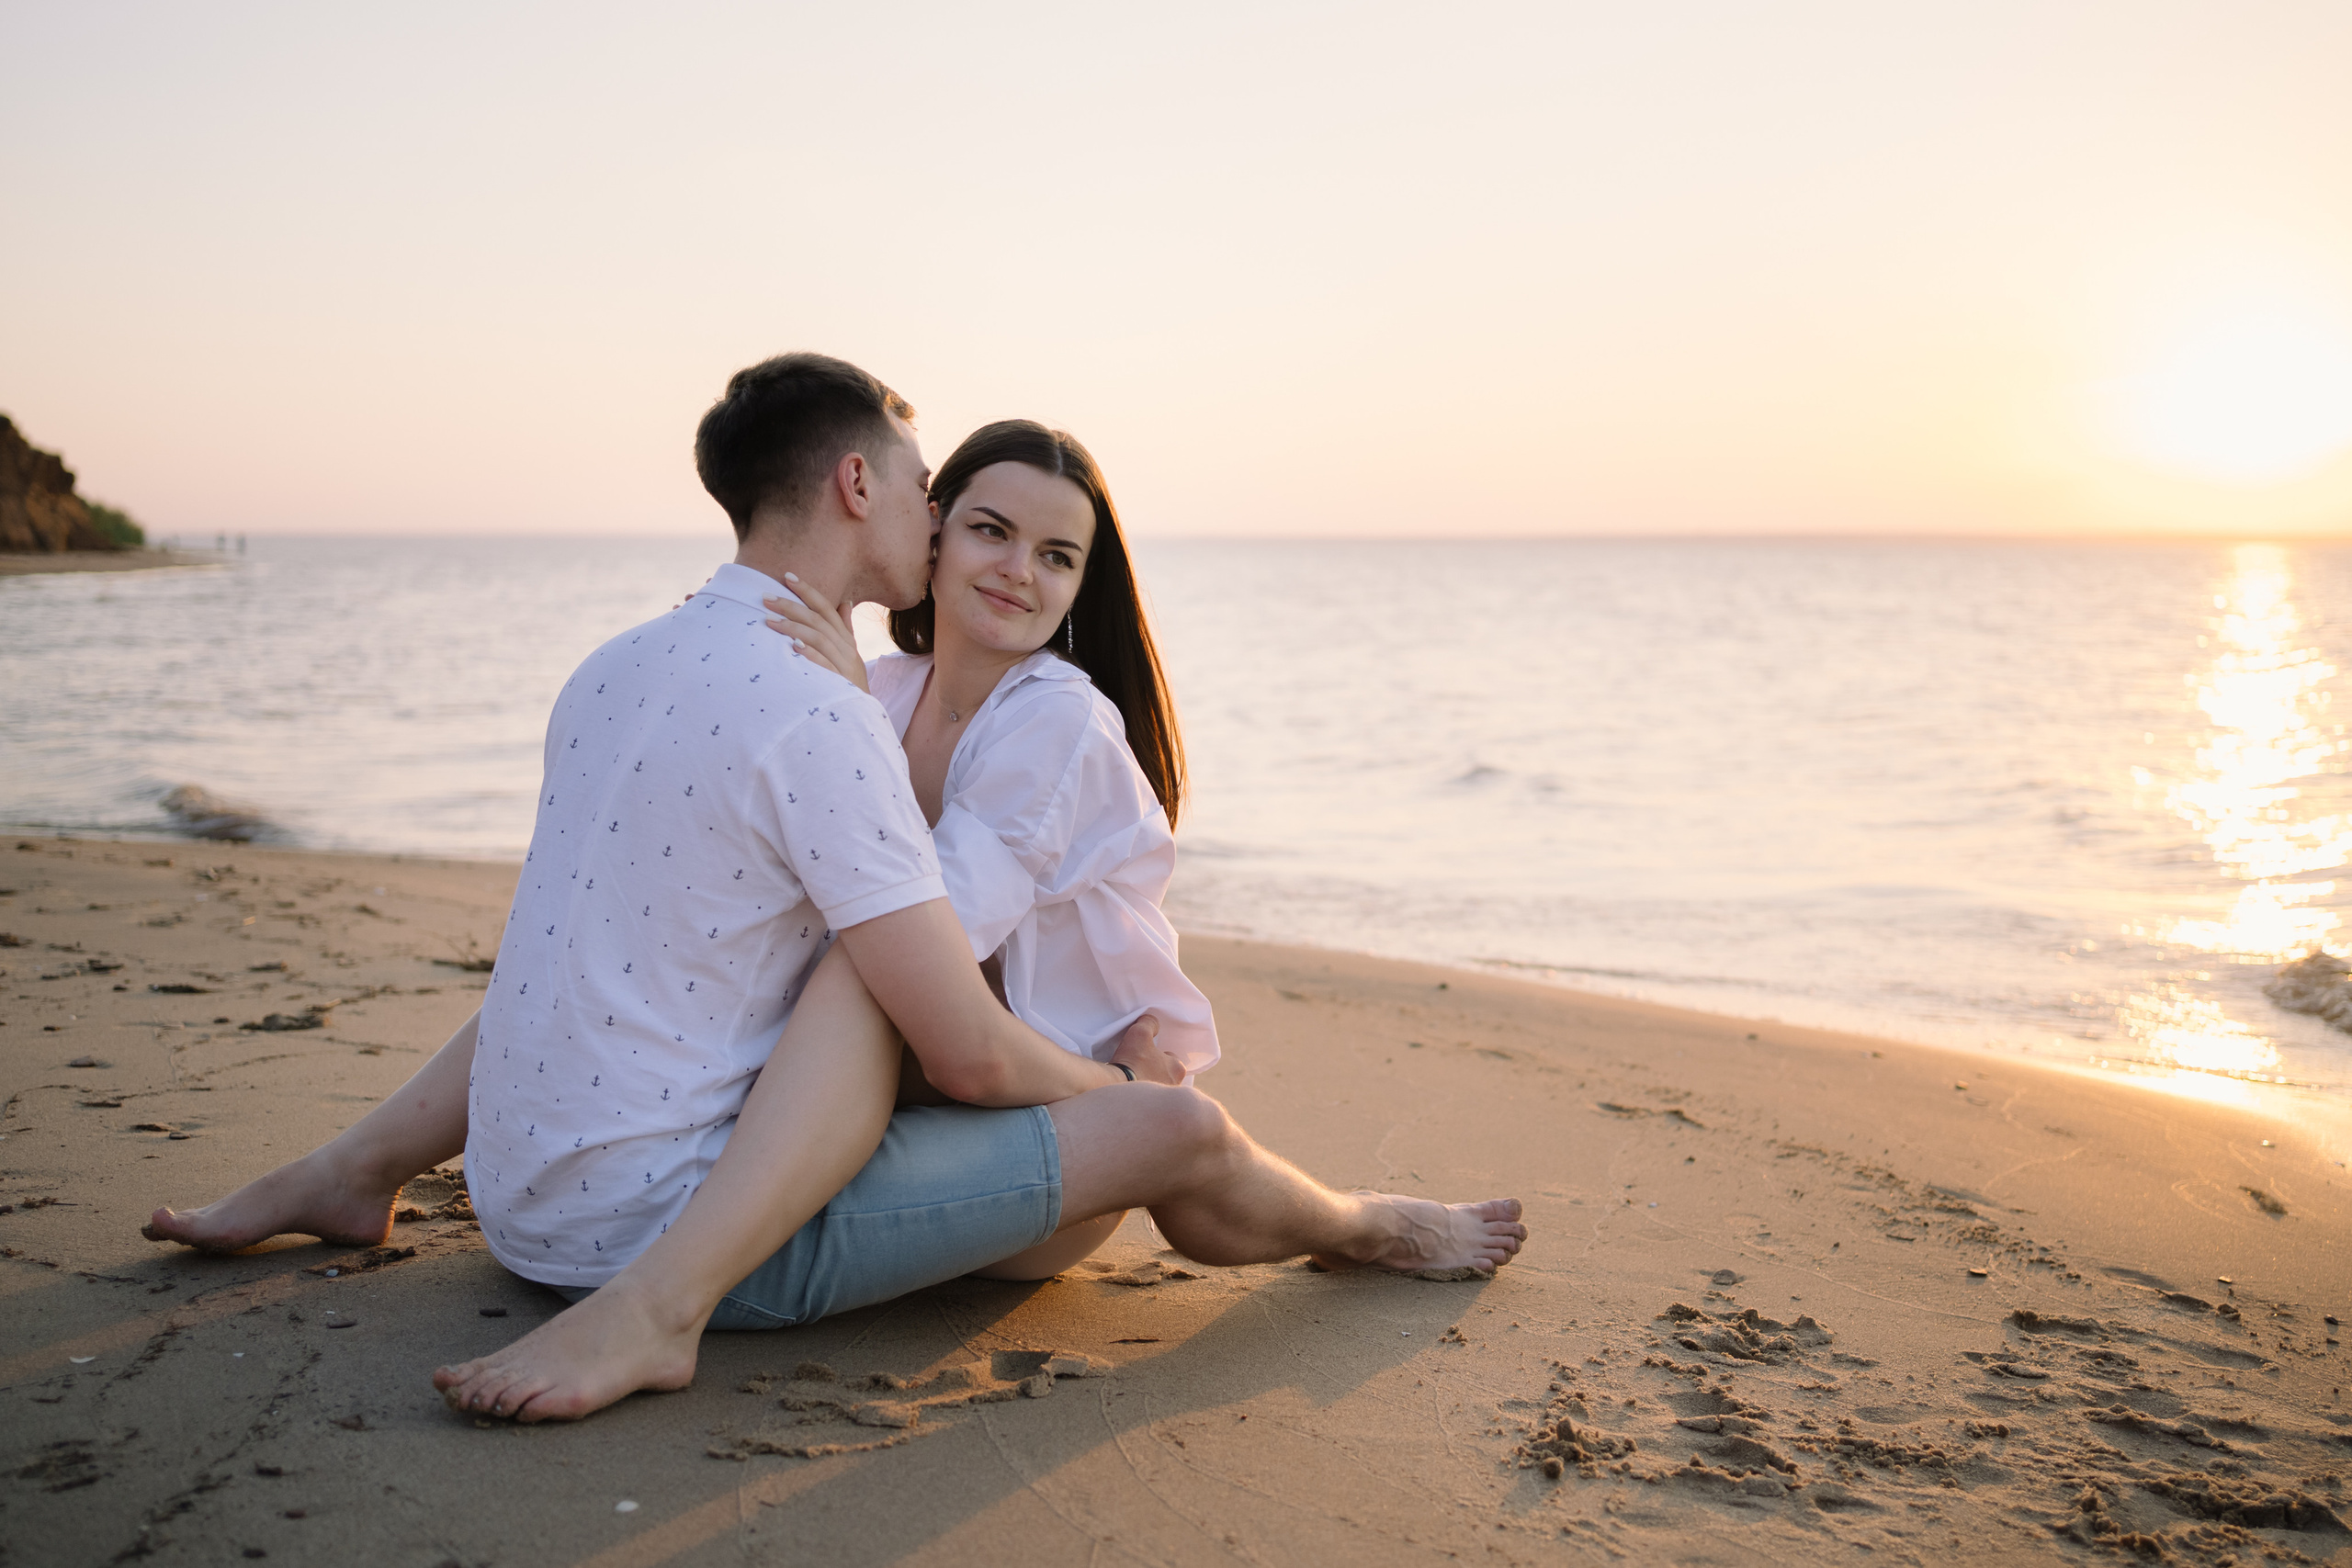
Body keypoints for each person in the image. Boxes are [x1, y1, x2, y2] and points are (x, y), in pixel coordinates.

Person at [147, 353, 1528, 1425]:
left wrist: (1137, 1095)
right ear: (872, 494)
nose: (1002, 562)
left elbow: (962, 1024)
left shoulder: (683, 673)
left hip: (1010, 1070)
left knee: (926, 989)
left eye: (1060, 556)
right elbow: (925, 1014)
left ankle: (1357, 1223)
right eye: (966, 514)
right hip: (891, 1094)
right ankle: (484, 1227)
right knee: (814, 954)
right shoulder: (854, 695)